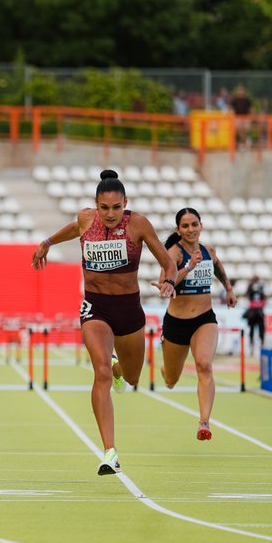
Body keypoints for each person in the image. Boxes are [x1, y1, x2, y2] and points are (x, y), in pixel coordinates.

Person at [32, 169, 177, 476]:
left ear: (126, 203)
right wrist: (47, 242)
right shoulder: (86, 219)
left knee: (133, 377)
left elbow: (168, 262)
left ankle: (118, 368)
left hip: (129, 310)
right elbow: (74, 229)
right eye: (104, 207)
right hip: (95, 308)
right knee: (100, 372)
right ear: (96, 205)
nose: (110, 214)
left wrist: (169, 282)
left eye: (116, 207)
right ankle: (110, 452)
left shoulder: (138, 224)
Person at [158, 208, 237, 441]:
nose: (191, 229)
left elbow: (218, 267)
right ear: (178, 230)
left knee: (204, 365)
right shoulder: (174, 253)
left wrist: (229, 289)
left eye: (194, 224)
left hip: (204, 320)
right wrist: (188, 267)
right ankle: (167, 370)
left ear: (201, 226)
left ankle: (204, 422)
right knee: (171, 380)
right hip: (176, 324)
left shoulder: (208, 250)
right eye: (185, 226)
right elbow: (165, 284)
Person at [242, 275, 266, 353]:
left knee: (261, 329)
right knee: (251, 329)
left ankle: (262, 345)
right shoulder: (250, 286)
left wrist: (261, 303)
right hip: (252, 311)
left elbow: (265, 297)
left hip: (259, 310)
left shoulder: (261, 286)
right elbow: (246, 295)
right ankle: (251, 347)